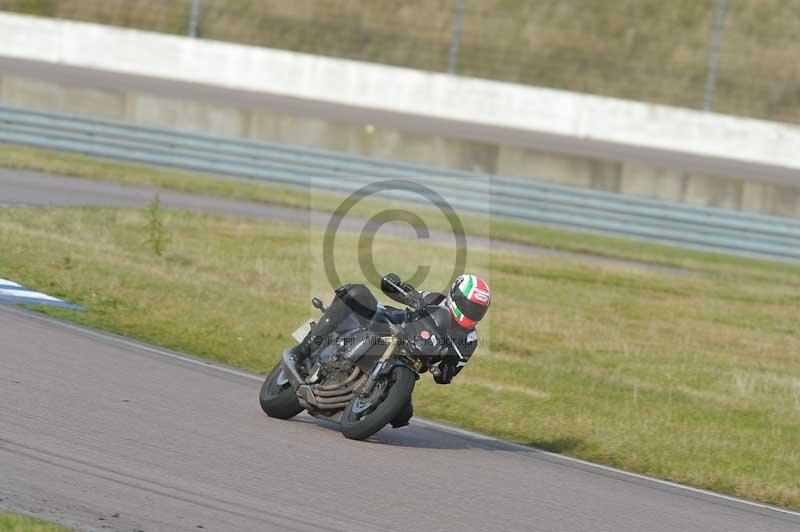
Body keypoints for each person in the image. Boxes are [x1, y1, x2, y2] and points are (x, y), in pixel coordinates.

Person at [287, 273, 491, 427]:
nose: (472, 312)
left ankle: (360, 401)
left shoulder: (469, 340)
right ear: (455, 296)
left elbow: (448, 373)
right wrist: (393, 284)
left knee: (403, 416)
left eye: (478, 309)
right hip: (386, 328)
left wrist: (446, 372)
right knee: (357, 293)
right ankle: (302, 350)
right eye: (469, 305)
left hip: (410, 362)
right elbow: (405, 293)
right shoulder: (435, 300)